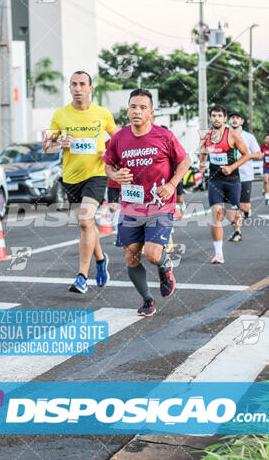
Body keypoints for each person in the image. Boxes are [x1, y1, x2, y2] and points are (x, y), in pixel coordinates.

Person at [104, 88, 189, 317]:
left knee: (152, 254)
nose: (137, 111)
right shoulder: (118, 139)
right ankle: (147, 300)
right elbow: (108, 165)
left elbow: (184, 161)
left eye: (142, 107)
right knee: (131, 256)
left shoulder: (164, 136)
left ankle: (165, 266)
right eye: (133, 107)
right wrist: (114, 176)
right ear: (127, 110)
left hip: (160, 205)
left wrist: (171, 185)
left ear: (151, 112)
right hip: (131, 206)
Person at [43, 70, 118, 294]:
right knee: (87, 225)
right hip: (71, 178)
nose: (78, 88)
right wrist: (61, 144)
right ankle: (101, 259)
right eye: (74, 84)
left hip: (96, 174)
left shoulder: (103, 114)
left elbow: (119, 140)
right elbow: (47, 148)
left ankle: (82, 276)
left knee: (86, 221)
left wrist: (111, 156)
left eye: (82, 84)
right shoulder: (60, 115)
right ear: (70, 88)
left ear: (90, 88)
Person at [199, 105, 250, 264]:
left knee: (231, 216)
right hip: (215, 180)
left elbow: (246, 155)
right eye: (213, 116)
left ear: (224, 119)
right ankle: (218, 254)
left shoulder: (232, 135)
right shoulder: (205, 136)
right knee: (216, 214)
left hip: (232, 180)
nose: (216, 119)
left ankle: (237, 221)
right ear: (210, 118)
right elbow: (203, 152)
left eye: (219, 116)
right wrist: (202, 163)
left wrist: (231, 167)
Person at [227, 112, 262, 241]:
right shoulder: (224, 136)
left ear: (242, 122)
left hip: (245, 175)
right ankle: (237, 231)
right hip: (229, 176)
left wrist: (245, 155)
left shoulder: (249, 137)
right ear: (229, 121)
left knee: (243, 206)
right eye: (232, 118)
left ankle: (247, 210)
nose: (235, 120)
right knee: (232, 206)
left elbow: (259, 154)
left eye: (237, 118)